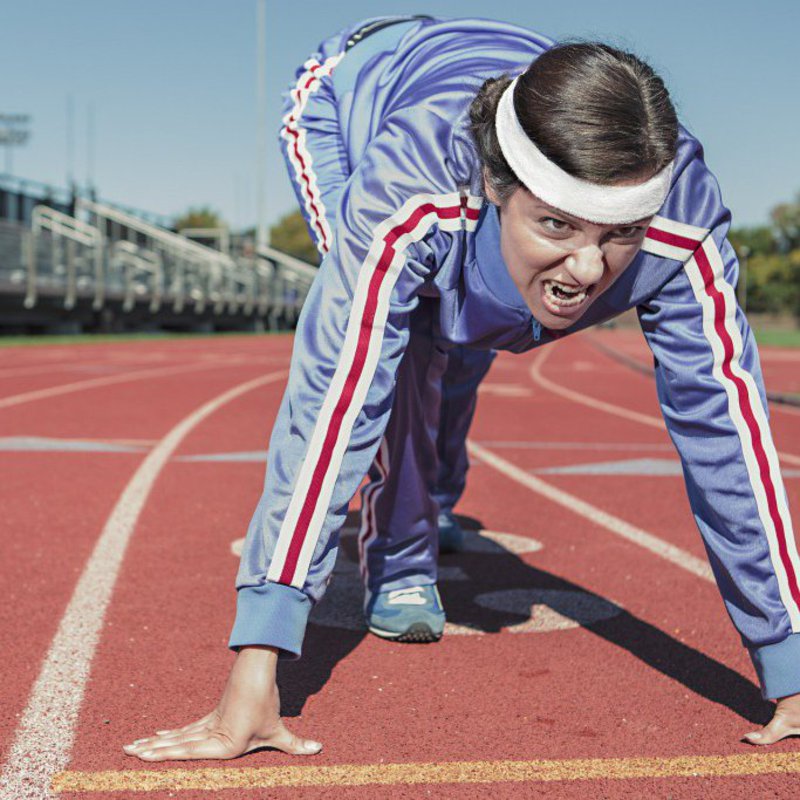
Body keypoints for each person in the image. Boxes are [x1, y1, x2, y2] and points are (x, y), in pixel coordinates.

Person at [123, 15, 800, 761]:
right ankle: (401, 553)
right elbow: (336, 400)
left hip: (494, 100)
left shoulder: (682, 221)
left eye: (619, 235)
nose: (587, 269)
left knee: (476, 329)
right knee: (407, 338)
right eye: (557, 225)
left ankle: (436, 493)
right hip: (350, 97)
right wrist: (260, 658)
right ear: (495, 185)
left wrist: (792, 664)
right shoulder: (408, 190)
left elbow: (727, 432)